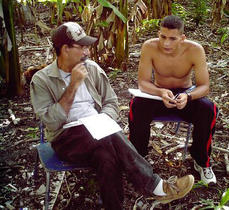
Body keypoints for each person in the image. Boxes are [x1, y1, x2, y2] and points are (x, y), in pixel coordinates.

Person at [30, 22, 194, 210]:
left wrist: (103, 121)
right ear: (65, 49)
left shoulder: (92, 69)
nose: (87, 52)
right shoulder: (42, 79)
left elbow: (111, 102)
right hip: (66, 139)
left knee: (105, 154)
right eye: (82, 47)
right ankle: (155, 186)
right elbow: (51, 122)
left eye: (87, 46)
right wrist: (73, 86)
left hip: (100, 134)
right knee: (106, 138)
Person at [128, 15, 218, 185]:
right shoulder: (149, 47)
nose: (166, 43)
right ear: (158, 34)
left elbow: (204, 87)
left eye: (172, 38)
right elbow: (143, 83)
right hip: (158, 93)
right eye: (162, 37)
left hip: (184, 95)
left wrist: (188, 96)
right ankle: (138, 159)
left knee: (209, 109)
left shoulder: (195, 50)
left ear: (182, 38)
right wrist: (160, 92)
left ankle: (201, 161)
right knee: (136, 105)